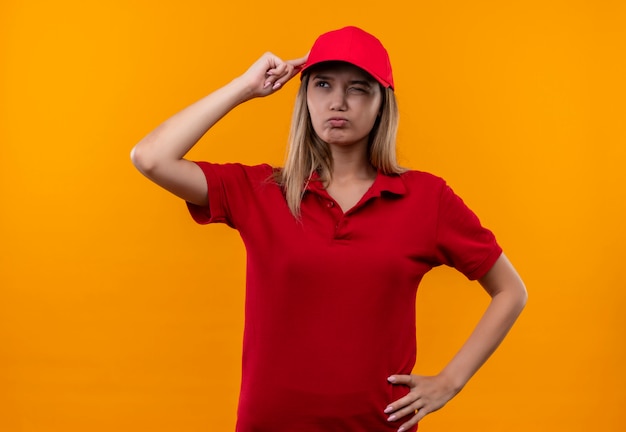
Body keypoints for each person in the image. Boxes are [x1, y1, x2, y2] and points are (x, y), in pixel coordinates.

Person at [131, 26, 527, 432]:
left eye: (358, 89)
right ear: (304, 98)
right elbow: (150, 157)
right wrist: (244, 87)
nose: (338, 102)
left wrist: (450, 381)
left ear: (381, 105)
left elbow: (511, 290)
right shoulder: (262, 192)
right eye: (323, 84)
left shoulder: (427, 199)